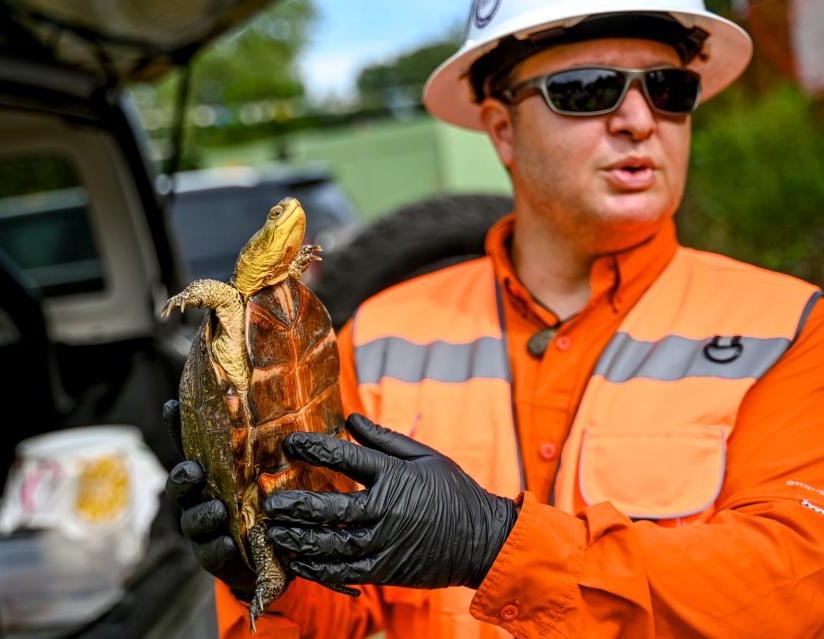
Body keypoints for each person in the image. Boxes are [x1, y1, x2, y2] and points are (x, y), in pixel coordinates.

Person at [166, 1, 824, 636]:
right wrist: (262, 571)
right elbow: (338, 603)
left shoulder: (792, 329)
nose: (638, 119)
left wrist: (495, 543)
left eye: (669, 88)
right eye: (587, 89)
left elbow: (794, 590)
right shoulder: (377, 337)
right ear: (502, 128)